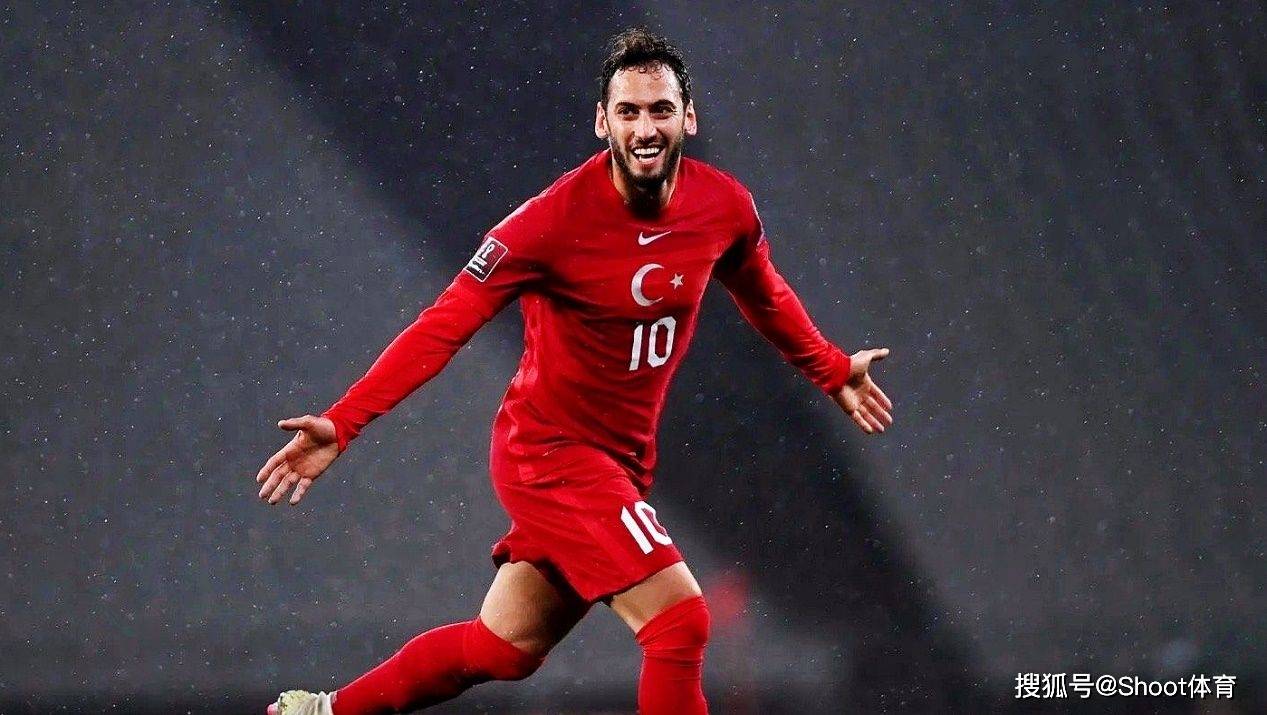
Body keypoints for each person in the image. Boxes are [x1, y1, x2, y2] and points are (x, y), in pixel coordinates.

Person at [255, 27, 893, 715]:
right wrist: (345, 421)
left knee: (503, 648)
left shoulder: (724, 207)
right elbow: (443, 325)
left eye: (660, 110)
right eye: (627, 111)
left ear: (688, 118)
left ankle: (321, 712)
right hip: (549, 455)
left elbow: (762, 292)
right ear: (601, 122)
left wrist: (832, 369)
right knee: (679, 621)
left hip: (621, 461)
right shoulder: (547, 223)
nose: (644, 129)